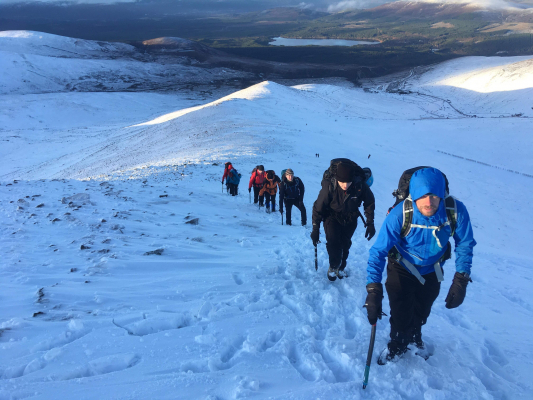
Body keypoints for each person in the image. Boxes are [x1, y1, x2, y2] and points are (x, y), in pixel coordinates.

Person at [364, 167, 476, 365]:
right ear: (414, 195)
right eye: (423, 196)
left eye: (434, 195)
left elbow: (465, 243)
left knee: (423, 309)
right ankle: (397, 343)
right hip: (401, 266)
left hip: (433, 268)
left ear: (442, 194)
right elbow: (378, 251)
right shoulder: (400, 214)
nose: (429, 202)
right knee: (400, 310)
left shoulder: (455, 211)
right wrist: (373, 290)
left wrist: (461, 280)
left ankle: (415, 334)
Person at [311, 160, 375, 281]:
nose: (345, 185)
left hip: (351, 218)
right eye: (342, 182)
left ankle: (341, 267)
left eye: (348, 182)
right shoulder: (330, 186)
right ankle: (333, 266)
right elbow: (318, 207)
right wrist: (315, 228)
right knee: (334, 243)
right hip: (332, 216)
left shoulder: (359, 185)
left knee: (345, 244)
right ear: (337, 178)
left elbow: (369, 202)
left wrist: (370, 223)